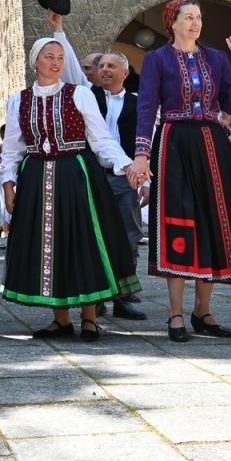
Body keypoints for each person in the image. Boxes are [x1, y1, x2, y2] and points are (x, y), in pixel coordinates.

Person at [129, 0, 231, 343]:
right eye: (189, 18)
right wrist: (141, 156)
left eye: (199, 18)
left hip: (212, 143)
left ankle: (204, 311)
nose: (196, 23)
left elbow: (230, 106)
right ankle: (176, 313)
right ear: (173, 22)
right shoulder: (157, 59)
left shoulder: (215, 58)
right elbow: (147, 107)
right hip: (174, 141)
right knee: (179, 222)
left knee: (212, 221)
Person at [0, 38, 136, 340]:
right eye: (49, 57)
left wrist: (125, 165)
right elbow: (11, 150)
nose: (56, 62)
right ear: (35, 61)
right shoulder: (18, 100)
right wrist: (8, 186)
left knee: (81, 240)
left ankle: (89, 317)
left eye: (60, 57)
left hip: (77, 177)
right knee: (48, 247)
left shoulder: (81, 95)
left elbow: (100, 140)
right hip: (36, 179)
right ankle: (60, 319)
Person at [89, 50, 147, 320]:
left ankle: (124, 298)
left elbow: (149, 141)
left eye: (111, 66)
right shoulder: (86, 98)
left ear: (125, 72)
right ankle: (96, 298)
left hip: (126, 177)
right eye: (101, 66)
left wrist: (147, 181)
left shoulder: (140, 104)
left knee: (129, 235)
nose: (105, 70)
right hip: (93, 174)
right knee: (93, 234)